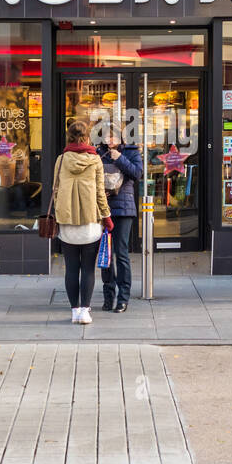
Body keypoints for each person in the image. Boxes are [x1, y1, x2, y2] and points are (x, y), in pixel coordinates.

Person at [54, 121, 113, 325]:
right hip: (90, 221)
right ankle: (85, 311)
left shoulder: (61, 160)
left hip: (67, 220)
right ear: (87, 138)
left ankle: (74, 311)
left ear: (69, 138)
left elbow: (55, 189)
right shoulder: (95, 161)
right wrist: (107, 216)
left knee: (71, 268)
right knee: (88, 268)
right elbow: (99, 192)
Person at [97, 123, 143, 313]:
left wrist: (120, 158)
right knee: (105, 255)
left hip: (123, 209)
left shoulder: (131, 152)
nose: (110, 140)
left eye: (113, 136)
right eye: (106, 136)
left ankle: (123, 298)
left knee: (121, 253)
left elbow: (137, 173)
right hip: (102, 208)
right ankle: (108, 297)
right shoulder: (97, 153)